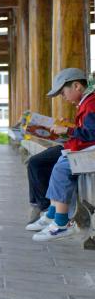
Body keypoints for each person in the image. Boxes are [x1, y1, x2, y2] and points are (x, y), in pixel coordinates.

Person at [27, 67, 95, 242]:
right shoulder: (87, 102)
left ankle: (61, 223)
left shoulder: (91, 103)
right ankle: (52, 215)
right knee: (60, 163)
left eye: (63, 92)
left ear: (77, 86)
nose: (62, 97)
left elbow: (91, 133)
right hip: (87, 150)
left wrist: (68, 130)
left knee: (61, 166)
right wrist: (69, 131)